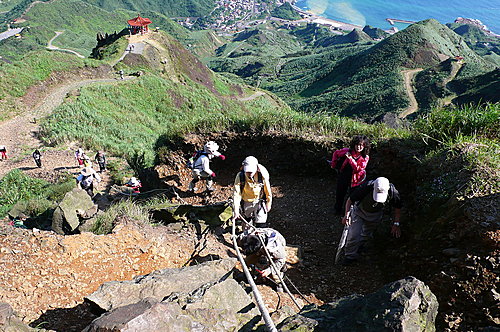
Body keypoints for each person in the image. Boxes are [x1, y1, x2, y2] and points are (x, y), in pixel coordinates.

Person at [340, 177, 402, 265]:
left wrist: (396, 223)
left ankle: (359, 246)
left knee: (366, 234)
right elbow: (350, 200)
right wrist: (347, 215)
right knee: (354, 234)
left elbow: (398, 207)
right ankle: (350, 256)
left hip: (375, 215)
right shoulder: (366, 187)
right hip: (359, 212)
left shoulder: (393, 192)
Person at [330, 135, 370, 215]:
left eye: (361, 145)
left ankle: (349, 213)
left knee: (353, 196)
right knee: (340, 193)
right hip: (344, 175)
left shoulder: (365, 157)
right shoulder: (347, 151)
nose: (358, 147)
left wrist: (350, 159)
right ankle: (338, 210)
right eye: (357, 145)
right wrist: (334, 164)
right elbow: (336, 153)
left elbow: (358, 169)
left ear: (364, 146)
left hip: (356, 179)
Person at [232, 156, 272, 228]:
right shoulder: (240, 176)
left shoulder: (262, 175)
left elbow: (268, 191)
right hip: (246, 203)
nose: (249, 173)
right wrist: (236, 210)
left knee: (261, 225)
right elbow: (237, 194)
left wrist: (269, 203)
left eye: (251, 171)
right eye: (247, 172)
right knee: (247, 224)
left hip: (259, 202)